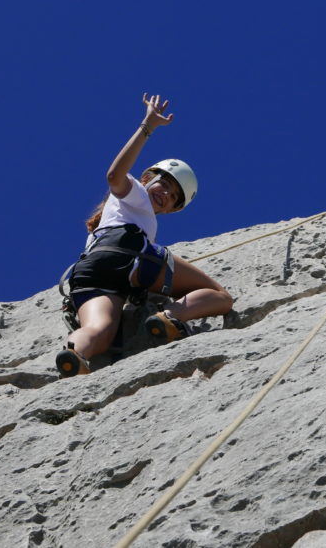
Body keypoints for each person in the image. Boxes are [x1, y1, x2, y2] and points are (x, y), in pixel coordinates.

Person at [56, 94, 233, 377]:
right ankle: (169, 318)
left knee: (100, 329)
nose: (166, 194)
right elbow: (115, 176)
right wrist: (147, 126)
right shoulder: (135, 192)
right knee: (221, 296)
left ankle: (76, 354)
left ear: (173, 209)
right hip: (130, 258)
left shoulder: (118, 214)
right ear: (148, 179)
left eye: (173, 196)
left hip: (91, 271)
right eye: (164, 184)